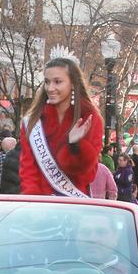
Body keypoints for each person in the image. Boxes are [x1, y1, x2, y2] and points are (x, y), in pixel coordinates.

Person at [18, 54, 103, 196]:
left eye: (57, 82)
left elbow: (88, 176)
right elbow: (27, 170)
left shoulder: (90, 118)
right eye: (47, 82)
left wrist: (75, 145)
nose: (50, 88)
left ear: (73, 83)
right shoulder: (33, 120)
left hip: (73, 204)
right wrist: (33, 203)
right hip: (39, 206)